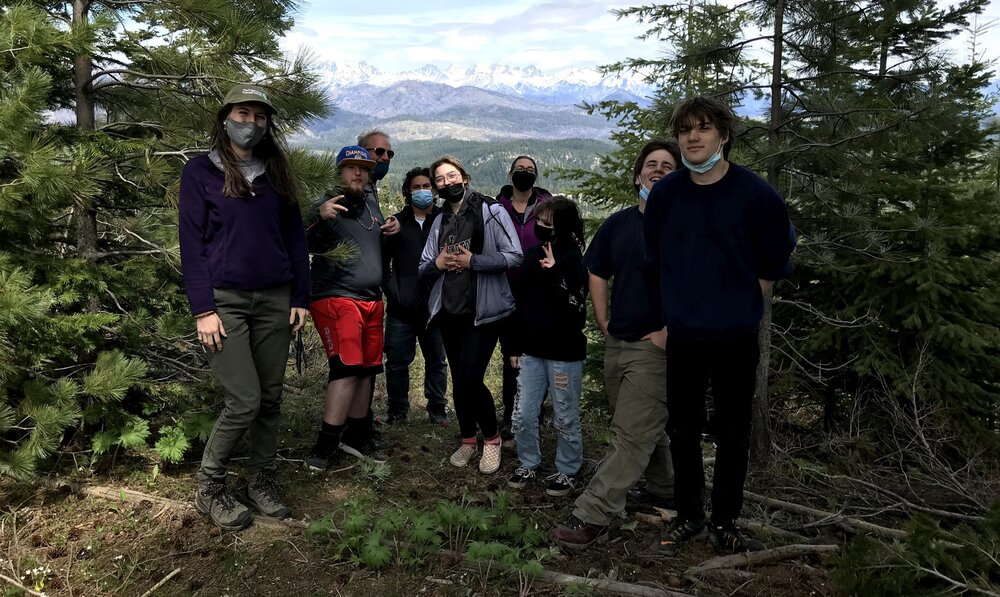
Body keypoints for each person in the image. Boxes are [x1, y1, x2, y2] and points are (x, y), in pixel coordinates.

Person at [644, 96, 796, 554]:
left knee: (733, 432)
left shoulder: (755, 195)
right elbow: (657, 259)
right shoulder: (667, 194)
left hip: (735, 335)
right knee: (683, 429)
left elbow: (773, 262)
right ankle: (690, 516)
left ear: (723, 135)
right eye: (686, 130)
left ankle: (726, 520)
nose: (693, 137)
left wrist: (742, 305)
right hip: (685, 334)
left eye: (703, 128)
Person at [179, 83, 308, 530]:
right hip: (224, 302)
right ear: (225, 118)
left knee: (270, 398)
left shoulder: (276, 172)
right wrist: (202, 309)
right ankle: (210, 486)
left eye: (259, 116)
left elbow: (295, 239)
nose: (250, 123)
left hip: (275, 297)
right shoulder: (200, 172)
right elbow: (191, 246)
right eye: (242, 114)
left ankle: (261, 480)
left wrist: (300, 297)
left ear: (267, 123)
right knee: (245, 399)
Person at [550, 140, 680, 548]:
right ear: (638, 174)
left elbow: (704, 282)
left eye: (667, 166)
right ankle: (667, 492)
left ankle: (593, 517)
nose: (657, 170)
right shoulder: (620, 224)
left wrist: (669, 332)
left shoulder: (684, 225)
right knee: (643, 425)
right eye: (651, 164)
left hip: (656, 346)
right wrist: (603, 320)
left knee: (630, 432)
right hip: (618, 342)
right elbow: (597, 271)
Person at [419, 156, 523, 474]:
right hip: (450, 311)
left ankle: (490, 440)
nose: (447, 182)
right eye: (440, 179)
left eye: (452, 176)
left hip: (483, 312)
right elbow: (424, 267)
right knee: (459, 381)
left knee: (470, 377)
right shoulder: (439, 222)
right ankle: (467, 440)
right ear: (436, 187)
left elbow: (515, 255)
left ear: (465, 177)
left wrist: (473, 262)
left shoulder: (491, 212)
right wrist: (438, 264)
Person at [303, 146, 389, 470]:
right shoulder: (325, 204)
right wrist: (317, 216)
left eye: (364, 169)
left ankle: (357, 435)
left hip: (371, 298)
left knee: (368, 368)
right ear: (338, 172)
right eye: (351, 167)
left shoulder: (370, 203)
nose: (358, 173)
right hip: (335, 296)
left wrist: (388, 230)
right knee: (347, 366)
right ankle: (324, 445)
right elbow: (294, 240)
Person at [507, 197, 588, 497]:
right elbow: (522, 303)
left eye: (549, 223)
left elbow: (576, 308)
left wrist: (555, 272)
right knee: (524, 414)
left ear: (563, 226)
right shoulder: (531, 256)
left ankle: (568, 469)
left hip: (565, 353)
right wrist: (514, 346)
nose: (542, 226)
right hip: (532, 350)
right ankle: (528, 461)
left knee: (565, 414)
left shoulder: (573, 260)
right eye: (539, 220)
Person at [381, 167, 449, 425]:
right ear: (408, 191)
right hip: (402, 308)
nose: (422, 191)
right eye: (416, 187)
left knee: (436, 361)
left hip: (435, 307)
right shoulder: (396, 224)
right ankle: (397, 410)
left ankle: (437, 408)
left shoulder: (445, 221)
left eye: (426, 186)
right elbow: (383, 263)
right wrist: (393, 291)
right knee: (397, 362)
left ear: (434, 190)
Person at [495, 156, 553, 444]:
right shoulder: (497, 208)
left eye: (530, 170)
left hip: (538, 295)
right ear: (510, 173)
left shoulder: (547, 209)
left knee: (535, 357)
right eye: (520, 169)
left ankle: (535, 417)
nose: (524, 174)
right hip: (504, 293)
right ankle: (511, 418)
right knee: (511, 359)